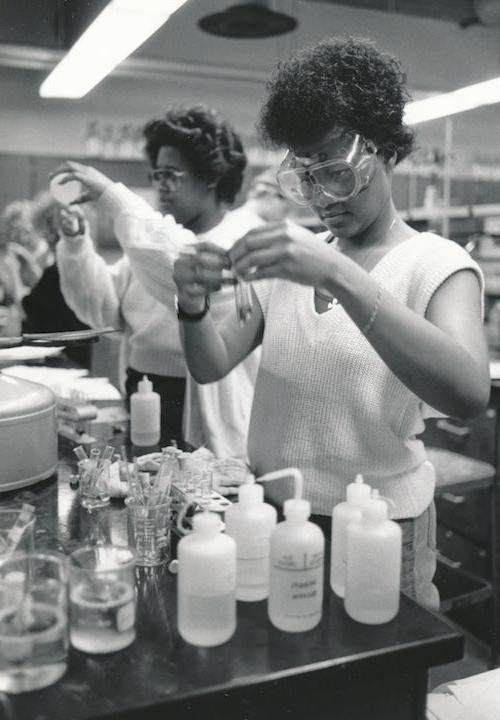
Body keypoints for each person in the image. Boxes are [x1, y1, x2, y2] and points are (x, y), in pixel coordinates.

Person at [171, 36, 490, 608]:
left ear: (385, 151)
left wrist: (339, 274)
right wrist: (191, 303)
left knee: (375, 691)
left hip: (378, 529)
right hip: (272, 515)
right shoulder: (292, 261)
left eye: (337, 172)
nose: (321, 196)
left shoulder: (438, 264)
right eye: (305, 178)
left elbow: (468, 393)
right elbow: (211, 363)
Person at [55, 105, 263, 456]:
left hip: (199, 401)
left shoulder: (240, 237)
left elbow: (181, 267)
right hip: (142, 390)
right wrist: (76, 246)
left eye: (172, 175)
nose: (161, 187)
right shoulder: (148, 246)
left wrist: (113, 197)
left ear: (211, 176)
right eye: (157, 174)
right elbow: (101, 311)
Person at [21, 192, 92, 368]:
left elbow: (33, 312)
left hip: (61, 364)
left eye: (50, 230)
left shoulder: (59, 271)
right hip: (71, 360)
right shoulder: (81, 268)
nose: (47, 236)